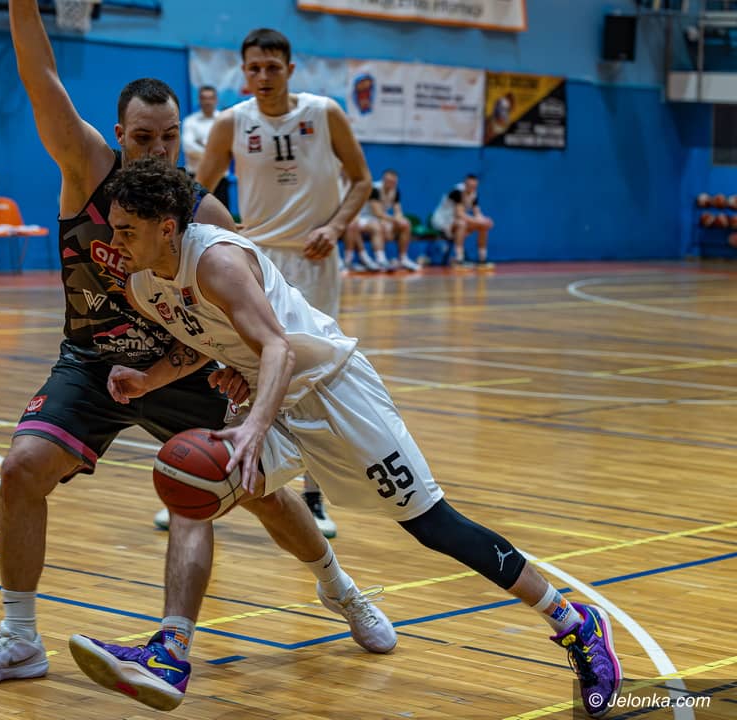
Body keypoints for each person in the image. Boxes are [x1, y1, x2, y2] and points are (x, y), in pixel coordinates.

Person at [0, 1, 395, 703]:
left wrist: (242, 375)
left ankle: (339, 588)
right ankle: (19, 637)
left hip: (181, 366)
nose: (156, 150)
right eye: (142, 138)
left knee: (257, 496)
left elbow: (250, 317)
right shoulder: (85, 167)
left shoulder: (204, 213)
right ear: (118, 134)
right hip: (94, 361)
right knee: (20, 468)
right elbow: (40, 75)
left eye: (167, 138)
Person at [78, 158, 622, 718]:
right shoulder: (142, 286)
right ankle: (171, 652)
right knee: (197, 487)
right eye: (114, 229)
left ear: (167, 228)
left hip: (332, 389)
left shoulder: (216, 260)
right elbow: (201, 337)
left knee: (433, 526)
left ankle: (575, 623)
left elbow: (279, 347)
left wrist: (253, 424)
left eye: (126, 231)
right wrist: (149, 379)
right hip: (270, 393)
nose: (114, 243)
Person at [196, 28, 374, 538]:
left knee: (313, 374)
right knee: (236, 369)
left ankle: (314, 496)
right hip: (254, 261)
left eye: (272, 67)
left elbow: (361, 180)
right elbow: (195, 192)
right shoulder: (231, 123)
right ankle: (209, 482)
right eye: (254, 68)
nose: (263, 76)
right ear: (243, 72)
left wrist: (335, 227)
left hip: (313, 258)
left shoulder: (324, 113)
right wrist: (226, 232)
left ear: (290, 70)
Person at [344, 169, 419, 273]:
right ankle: (380, 259)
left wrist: (399, 219)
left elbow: (398, 211)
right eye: (388, 181)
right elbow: (377, 212)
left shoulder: (395, 191)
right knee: (377, 227)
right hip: (364, 217)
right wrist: (393, 220)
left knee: (405, 224)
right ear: (383, 180)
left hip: (379, 218)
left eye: (393, 182)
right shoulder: (374, 189)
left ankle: (403, 258)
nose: (390, 183)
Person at [431, 173, 495, 269]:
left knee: (483, 226)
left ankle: (482, 259)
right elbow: (459, 214)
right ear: (465, 184)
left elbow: (477, 213)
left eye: (474, 186)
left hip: (456, 221)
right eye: (470, 186)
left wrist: (485, 221)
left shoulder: (474, 194)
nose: (472, 188)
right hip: (442, 222)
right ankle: (459, 259)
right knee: (462, 224)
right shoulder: (457, 192)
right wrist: (479, 221)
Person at [181, 85, 229, 210]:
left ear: (216, 100)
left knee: (222, 215)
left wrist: (202, 144)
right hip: (195, 177)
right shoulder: (190, 121)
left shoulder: (225, 120)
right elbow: (189, 148)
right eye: (204, 98)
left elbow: (228, 146)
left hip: (220, 178)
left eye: (210, 98)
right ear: (199, 100)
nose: (207, 102)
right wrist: (214, 152)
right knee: (195, 214)